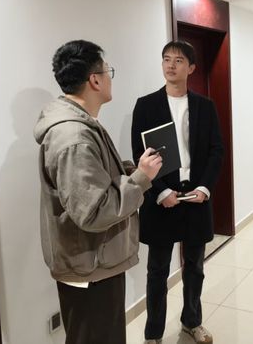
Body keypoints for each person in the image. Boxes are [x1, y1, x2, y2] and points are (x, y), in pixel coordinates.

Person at [34, 40, 162, 344]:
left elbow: (94, 185)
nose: (109, 78)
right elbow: (94, 211)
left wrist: (130, 170)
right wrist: (141, 179)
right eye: (108, 71)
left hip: (94, 263)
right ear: (94, 80)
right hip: (90, 268)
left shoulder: (81, 125)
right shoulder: (74, 136)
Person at [131, 40, 223, 344]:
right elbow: (140, 154)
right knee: (157, 270)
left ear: (191, 68)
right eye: (166, 59)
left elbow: (216, 151)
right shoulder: (146, 105)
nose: (171, 65)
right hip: (161, 200)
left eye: (179, 60)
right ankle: (153, 334)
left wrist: (205, 187)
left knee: (195, 267)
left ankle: (192, 322)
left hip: (195, 197)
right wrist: (159, 192)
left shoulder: (205, 106)